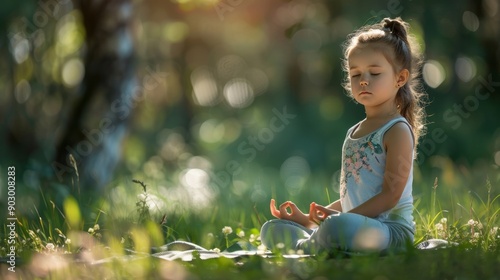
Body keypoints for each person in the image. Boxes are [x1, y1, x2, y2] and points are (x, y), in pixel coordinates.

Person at [260, 17, 426, 255]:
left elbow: (390, 197)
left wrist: (337, 218)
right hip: (354, 224)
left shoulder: (397, 130)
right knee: (271, 228)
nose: (364, 80)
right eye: (356, 74)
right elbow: (353, 197)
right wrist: (308, 218)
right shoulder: (354, 131)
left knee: (337, 225)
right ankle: (313, 240)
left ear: (400, 78)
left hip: (390, 233)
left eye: (375, 73)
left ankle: (309, 245)